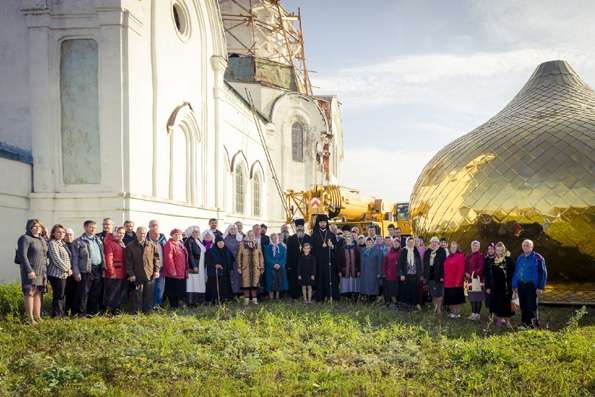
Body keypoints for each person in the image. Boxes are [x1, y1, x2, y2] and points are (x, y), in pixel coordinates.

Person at [71, 220, 105, 316]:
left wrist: (103, 268)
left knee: (95, 292)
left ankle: (91, 312)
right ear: (85, 227)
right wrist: (76, 272)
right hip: (85, 270)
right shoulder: (78, 241)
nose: (93, 229)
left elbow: (102, 255)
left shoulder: (98, 240)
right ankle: (78, 312)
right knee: (82, 293)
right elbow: (74, 258)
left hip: (97, 269)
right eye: (91, 227)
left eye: (94, 227)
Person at [18, 219, 48, 324]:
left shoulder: (42, 239)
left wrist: (46, 235)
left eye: (39, 226)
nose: (37, 228)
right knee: (29, 293)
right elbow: (22, 255)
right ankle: (30, 318)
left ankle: (37, 316)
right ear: (29, 228)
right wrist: (29, 270)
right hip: (31, 271)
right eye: (35, 226)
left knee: (38, 293)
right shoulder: (25, 238)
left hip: (41, 271)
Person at [512, 239, 547, 329]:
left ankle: (533, 326)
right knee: (523, 305)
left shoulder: (538, 258)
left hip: (531, 285)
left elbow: (542, 273)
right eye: (524, 245)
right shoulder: (520, 257)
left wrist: (540, 287)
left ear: (532, 247)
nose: (525, 247)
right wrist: (515, 285)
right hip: (521, 284)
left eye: (528, 245)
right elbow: (517, 271)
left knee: (531, 306)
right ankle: (524, 324)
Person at [125, 226, 160, 314]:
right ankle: (138, 311)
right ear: (136, 233)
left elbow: (156, 259)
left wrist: (156, 271)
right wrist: (131, 274)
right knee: (137, 294)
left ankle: (148, 310)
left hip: (149, 274)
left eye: (144, 233)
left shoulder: (150, 245)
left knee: (149, 294)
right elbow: (128, 262)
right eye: (140, 233)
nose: (142, 235)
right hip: (137, 274)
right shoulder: (130, 246)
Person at [485, 242, 515, 327]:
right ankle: (498, 320)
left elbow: (513, 273)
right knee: (497, 303)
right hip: (495, 287)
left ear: (504, 250)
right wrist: (487, 287)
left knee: (507, 304)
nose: (499, 252)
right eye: (497, 250)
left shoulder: (509, 260)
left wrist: (514, 285)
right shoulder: (491, 261)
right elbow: (487, 275)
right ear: (495, 250)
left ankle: (508, 321)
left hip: (506, 286)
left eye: (501, 250)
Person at [311, 214, 340, 302]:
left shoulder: (331, 234)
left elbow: (336, 248)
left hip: (329, 261)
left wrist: (332, 246)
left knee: (330, 277)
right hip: (319, 261)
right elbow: (312, 249)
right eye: (321, 222)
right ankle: (320, 296)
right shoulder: (314, 235)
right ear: (318, 223)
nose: (323, 224)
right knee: (320, 278)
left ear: (326, 223)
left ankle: (332, 296)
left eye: (324, 222)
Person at [46, 224, 72, 318]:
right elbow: (56, 259)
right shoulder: (53, 243)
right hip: (57, 274)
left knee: (62, 295)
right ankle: (57, 314)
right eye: (58, 232)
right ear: (53, 233)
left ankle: (61, 313)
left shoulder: (62, 243)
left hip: (64, 274)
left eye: (63, 232)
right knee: (58, 295)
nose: (61, 234)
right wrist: (67, 269)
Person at [103, 226, 128, 315]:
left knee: (119, 291)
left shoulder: (120, 242)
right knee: (113, 292)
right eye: (119, 232)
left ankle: (118, 308)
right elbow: (108, 258)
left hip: (121, 271)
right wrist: (111, 271)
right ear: (115, 232)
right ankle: (113, 310)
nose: (121, 235)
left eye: (123, 233)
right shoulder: (109, 243)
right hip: (115, 271)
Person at [286, 219, 313, 299]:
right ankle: (295, 295)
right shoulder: (291, 238)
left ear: (303, 227)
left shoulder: (308, 238)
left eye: (301, 226)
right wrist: (289, 264)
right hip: (294, 263)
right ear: (295, 228)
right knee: (294, 279)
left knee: (306, 279)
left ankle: (306, 296)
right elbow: (289, 252)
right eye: (298, 226)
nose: (300, 228)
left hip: (306, 264)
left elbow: (312, 252)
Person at [236, 230, 265, 305]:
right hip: (245, 268)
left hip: (256, 268)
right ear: (247, 236)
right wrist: (239, 267)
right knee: (246, 285)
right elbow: (239, 256)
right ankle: (246, 300)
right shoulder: (242, 244)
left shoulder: (258, 245)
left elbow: (261, 256)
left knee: (255, 285)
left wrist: (261, 267)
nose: (251, 237)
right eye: (249, 235)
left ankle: (255, 300)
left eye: (252, 235)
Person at [163, 229, 188, 309]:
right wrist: (172, 270)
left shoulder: (181, 244)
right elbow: (168, 258)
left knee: (179, 288)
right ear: (172, 235)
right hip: (174, 271)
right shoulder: (169, 244)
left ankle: (178, 305)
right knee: (172, 288)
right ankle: (173, 305)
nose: (177, 236)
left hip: (181, 271)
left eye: (179, 234)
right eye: (175, 234)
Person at [205, 236, 234, 303]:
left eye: (222, 242)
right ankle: (215, 300)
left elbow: (231, 260)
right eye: (219, 242)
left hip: (225, 272)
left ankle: (225, 299)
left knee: (225, 286)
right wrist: (215, 265)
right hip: (215, 273)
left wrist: (231, 269)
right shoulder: (211, 250)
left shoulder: (227, 250)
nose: (221, 244)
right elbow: (208, 261)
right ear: (216, 243)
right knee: (215, 286)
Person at [397, 237, 423, 310]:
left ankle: (414, 304)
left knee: (414, 290)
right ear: (407, 243)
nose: (411, 244)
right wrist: (401, 274)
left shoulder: (416, 251)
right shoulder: (404, 250)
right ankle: (408, 304)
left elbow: (419, 263)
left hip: (414, 275)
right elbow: (399, 263)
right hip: (406, 275)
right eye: (409, 242)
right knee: (407, 290)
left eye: (412, 242)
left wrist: (421, 274)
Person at [423, 237, 447, 314]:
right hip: (430, 274)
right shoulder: (427, 251)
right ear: (430, 243)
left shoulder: (441, 251)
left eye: (435, 242)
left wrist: (442, 276)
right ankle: (435, 307)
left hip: (438, 274)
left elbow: (444, 264)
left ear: (438, 243)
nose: (434, 243)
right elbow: (425, 263)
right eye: (432, 242)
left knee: (439, 292)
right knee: (433, 292)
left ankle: (439, 308)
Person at [184, 226, 207, 307]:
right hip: (193, 266)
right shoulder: (189, 241)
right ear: (190, 233)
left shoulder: (199, 241)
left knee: (199, 282)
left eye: (197, 232)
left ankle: (199, 301)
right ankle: (191, 302)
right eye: (193, 232)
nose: (195, 233)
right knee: (192, 283)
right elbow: (189, 254)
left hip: (201, 265)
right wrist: (194, 266)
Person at [443, 241, 465, 318]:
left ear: (457, 248)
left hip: (455, 282)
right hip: (448, 282)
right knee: (451, 298)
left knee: (457, 299)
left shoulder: (460, 256)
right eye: (451, 247)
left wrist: (458, 281)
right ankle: (453, 312)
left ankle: (457, 313)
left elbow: (461, 270)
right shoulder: (448, 257)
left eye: (454, 247)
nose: (452, 249)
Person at [465, 240, 486, 321]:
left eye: (476, 246)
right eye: (473, 245)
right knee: (472, 297)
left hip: (478, 279)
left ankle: (477, 314)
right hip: (470, 279)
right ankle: (473, 313)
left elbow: (481, 267)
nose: (474, 247)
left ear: (479, 247)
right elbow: (466, 266)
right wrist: (466, 273)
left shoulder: (480, 256)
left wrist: (474, 273)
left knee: (478, 297)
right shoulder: (468, 256)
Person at [264, 233, 288, 300]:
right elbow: (267, 258)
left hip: (280, 267)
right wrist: (274, 264)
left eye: (275, 238)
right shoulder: (267, 247)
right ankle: (271, 297)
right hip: (270, 267)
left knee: (278, 281)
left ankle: (277, 297)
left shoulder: (282, 247)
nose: (274, 240)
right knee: (270, 281)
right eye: (272, 238)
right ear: (270, 239)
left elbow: (284, 257)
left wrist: (279, 264)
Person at [338, 235, 361, 300]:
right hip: (345, 270)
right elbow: (339, 260)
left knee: (354, 283)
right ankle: (347, 296)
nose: (348, 241)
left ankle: (354, 296)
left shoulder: (355, 248)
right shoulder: (342, 249)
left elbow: (358, 260)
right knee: (346, 283)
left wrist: (359, 270)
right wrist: (339, 271)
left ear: (352, 240)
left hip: (354, 270)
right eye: (347, 239)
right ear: (345, 240)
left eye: (350, 239)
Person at [223, 224, 243, 296]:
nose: (233, 231)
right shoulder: (225, 239)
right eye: (231, 229)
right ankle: (231, 293)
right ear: (229, 230)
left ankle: (238, 293)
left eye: (234, 229)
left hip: (238, 261)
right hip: (229, 261)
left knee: (238, 278)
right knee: (231, 277)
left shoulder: (240, 238)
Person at [149, 228, 166, 308]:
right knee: (151, 289)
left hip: (161, 269)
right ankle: (150, 306)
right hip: (150, 269)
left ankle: (157, 306)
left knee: (160, 288)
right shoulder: (148, 244)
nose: (157, 236)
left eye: (158, 234)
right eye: (155, 234)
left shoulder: (161, 244)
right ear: (150, 235)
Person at [382, 237, 402, 305]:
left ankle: (399, 301)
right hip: (390, 273)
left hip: (400, 274)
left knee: (399, 289)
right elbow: (384, 263)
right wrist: (384, 272)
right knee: (392, 288)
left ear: (399, 243)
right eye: (394, 242)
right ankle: (394, 302)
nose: (396, 243)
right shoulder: (389, 251)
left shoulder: (402, 251)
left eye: (397, 242)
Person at [63, 228, 76, 315]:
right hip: (64, 273)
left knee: (73, 293)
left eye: (70, 235)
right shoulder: (61, 245)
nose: (69, 237)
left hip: (74, 273)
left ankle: (71, 310)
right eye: (67, 235)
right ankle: (63, 311)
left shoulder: (75, 245)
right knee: (64, 293)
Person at [484, 243, 496, 313]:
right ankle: (492, 315)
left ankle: (500, 315)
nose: (490, 250)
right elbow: (486, 273)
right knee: (490, 299)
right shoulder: (486, 259)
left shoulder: (499, 258)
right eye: (489, 249)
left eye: (492, 248)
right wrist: (487, 287)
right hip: (489, 281)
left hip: (497, 282)